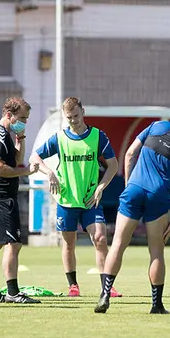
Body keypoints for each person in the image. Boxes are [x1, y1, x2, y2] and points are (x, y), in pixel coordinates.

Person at [94, 120, 170, 314]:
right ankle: (156, 305)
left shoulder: (157, 125)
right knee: (156, 251)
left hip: (134, 189)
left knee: (118, 244)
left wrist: (129, 186)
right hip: (158, 195)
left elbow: (130, 154)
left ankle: (105, 295)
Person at [29, 97, 122, 298]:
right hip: (66, 201)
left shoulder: (98, 136)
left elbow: (113, 165)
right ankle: (73, 286)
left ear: (83, 112)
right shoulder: (59, 138)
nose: (73, 120)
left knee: (100, 238)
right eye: (69, 117)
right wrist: (49, 172)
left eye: (76, 116)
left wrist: (101, 187)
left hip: (90, 200)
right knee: (69, 243)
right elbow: (34, 157)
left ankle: (107, 287)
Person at [0, 97, 40, 304]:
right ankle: (13, 292)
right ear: (9, 115)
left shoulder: (6, 134)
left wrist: (21, 138)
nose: (24, 121)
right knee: (13, 244)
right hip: (1, 197)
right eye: (22, 118)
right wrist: (25, 172)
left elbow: (15, 160)